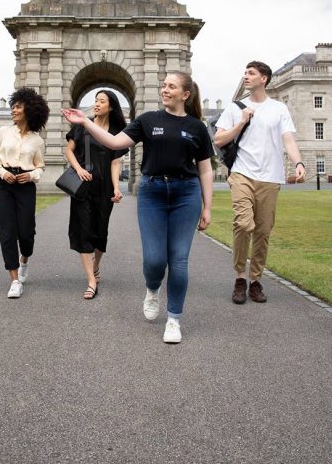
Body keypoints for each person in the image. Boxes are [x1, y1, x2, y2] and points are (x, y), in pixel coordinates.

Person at [62, 72, 213, 344]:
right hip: (153, 192)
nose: (164, 89)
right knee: (155, 260)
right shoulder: (147, 120)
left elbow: (205, 169)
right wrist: (84, 121)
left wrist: (208, 207)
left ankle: (174, 319)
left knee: (178, 260)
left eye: (171, 86)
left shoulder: (196, 127)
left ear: (185, 94)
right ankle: (152, 289)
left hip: (186, 194)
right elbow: (114, 142)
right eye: (164, 85)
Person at [214, 61, 305, 305]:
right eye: (244, 72)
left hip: (270, 178)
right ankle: (239, 278)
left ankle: (255, 280)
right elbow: (219, 139)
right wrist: (241, 121)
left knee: (263, 231)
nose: (245, 76)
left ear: (263, 78)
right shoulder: (235, 108)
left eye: (251, 73)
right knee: (244, 224)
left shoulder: (279, 109)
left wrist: (299, 163)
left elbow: (288, 140)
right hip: (242, 173)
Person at [0, 87, 49, 298]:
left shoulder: (37, 141)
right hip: (3, 184)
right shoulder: (3, 132)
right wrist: (2, 173)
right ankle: (14, 280)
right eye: (13, 106)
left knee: (26, 232)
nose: (13, 110)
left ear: (29, 109)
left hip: (25, 186)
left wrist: (30, 176)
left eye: (18, 106)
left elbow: (40, 166)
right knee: (7, 231)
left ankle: (24, 260)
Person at [65, 90, 127, 300]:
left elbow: (115, 161)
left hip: (104, 188)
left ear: (111, 107)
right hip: (83, 186)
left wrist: (117, 187)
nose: (97, 104)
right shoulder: (82, 124)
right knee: (83, 231)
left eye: (102, 101)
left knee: (100, 233)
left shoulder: (117, 131)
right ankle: (91, 280)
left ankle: (96, 265)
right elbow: (69, 150)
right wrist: (79, 169)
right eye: (96, 100)